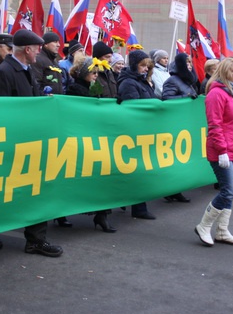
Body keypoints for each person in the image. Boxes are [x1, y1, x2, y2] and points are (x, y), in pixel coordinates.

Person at [0, 29, 63, 257]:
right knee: (3, 193)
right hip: (12, 144)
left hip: (29, 142)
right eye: (37, 48)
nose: (39, 52)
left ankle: (36, 240)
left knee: (36, 192)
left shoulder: (26, 70)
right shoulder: (4, 72)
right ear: (27, 50)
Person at [194, 57, 233, 246]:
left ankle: (221, 231)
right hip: (222, 150)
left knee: (231, 191)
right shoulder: (216, 94)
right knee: (228, 191)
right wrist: (221, 151)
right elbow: (215, 125)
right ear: (224, 71)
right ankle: (204, 226)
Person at [66, 56, 116, 232]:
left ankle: (102, 215)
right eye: (93, 72)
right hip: (81, 138)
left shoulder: (94, 88)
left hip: (96, 136)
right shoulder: (74, 89)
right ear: (83, 73)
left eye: (97, 72)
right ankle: (61, 214)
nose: (96, 75)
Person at [117, 50, 158, 219]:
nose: (145, 68)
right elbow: (134, 109)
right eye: (142, 65)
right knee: (138, 171)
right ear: (134, 65)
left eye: (147, 65)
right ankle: (139, 207)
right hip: (135, 133)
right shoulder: (128, 83)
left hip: (145, 131)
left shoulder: (143, 81)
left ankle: (137, 205)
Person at [160, 52, 196, 203]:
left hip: (185, 125)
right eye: (186, 63)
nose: (189, 66)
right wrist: (185, 98)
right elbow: (166, 99)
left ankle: (176, 189)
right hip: (174, 126)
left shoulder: (187, 81)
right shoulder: (172, 81)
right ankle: (169, 189)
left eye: (190, 63)